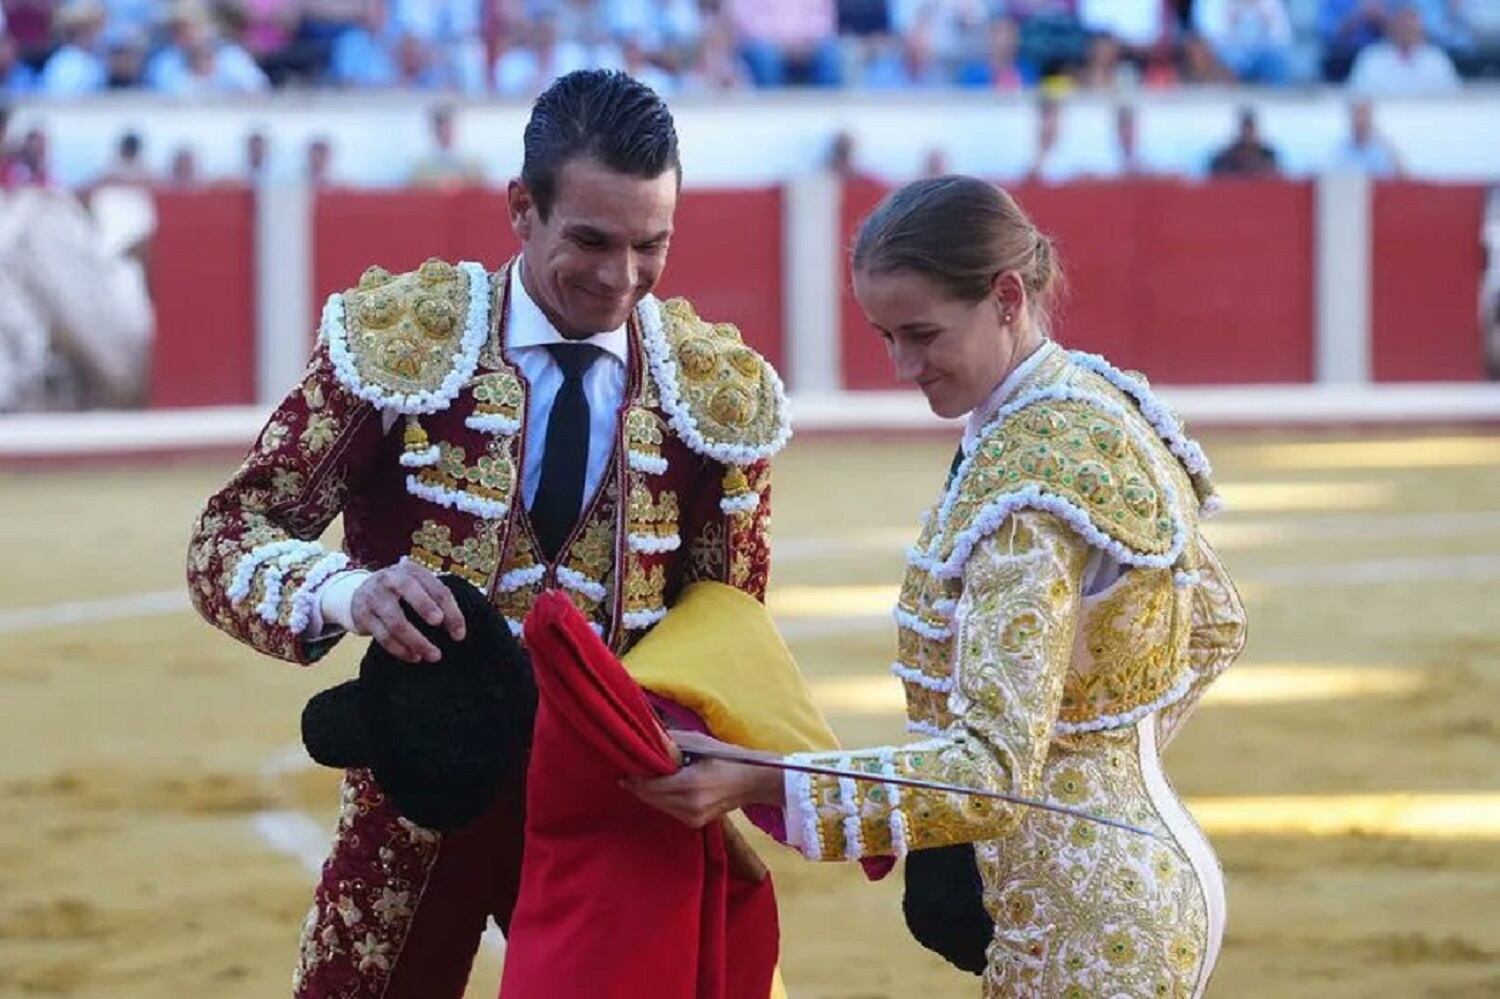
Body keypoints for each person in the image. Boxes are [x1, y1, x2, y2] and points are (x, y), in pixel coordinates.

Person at [185, 69, 789, 998]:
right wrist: (351, 590)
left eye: (649, 246)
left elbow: (729, 620)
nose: (618, 277)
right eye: (590, 240)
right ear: (522, 208)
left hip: (614, 802)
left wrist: (725, 759)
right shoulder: (401, 344)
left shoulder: (711, 392)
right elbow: (231, 535)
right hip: (417, 791)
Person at [628, 175, 1247, 996]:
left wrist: (761, 776)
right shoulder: (1093, 404)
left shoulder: (1030, 477)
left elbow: (991, 771)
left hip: (1075, 918)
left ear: (1005, 296)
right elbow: (1215, 623)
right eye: (886, 335)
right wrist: (1094, 753)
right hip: (1135, 879)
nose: (902, 364)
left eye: (922, 333)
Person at [1346, 1, 1460, 95]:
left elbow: (1454, 99)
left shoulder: (1437, 60)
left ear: (1420, 26)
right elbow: (1356, 98)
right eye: (1401, 21)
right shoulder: (1371, 59)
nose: (1406, 27)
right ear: (1391, 25)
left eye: (1411, 21)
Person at [408, 103, 485, 189]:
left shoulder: (473, 164)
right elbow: (414, 186)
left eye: (448, 125)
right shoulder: (421, 167)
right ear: (434, 130)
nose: (445, 131)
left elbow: (481, 184)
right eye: (440, 126)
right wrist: (438, 184)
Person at [1328, 98, 1403, 177]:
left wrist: (1388, 147)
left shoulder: (1384, 151)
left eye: (1364, 113)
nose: (1360, 119)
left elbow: (1405, 180)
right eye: (1357, 114)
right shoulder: (1337, 152)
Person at [1208, 105, 1280, 177]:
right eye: (1245, 129)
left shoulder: (1267, 155)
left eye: (1250, 129)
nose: (1247, 133)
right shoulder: (1226, 157)